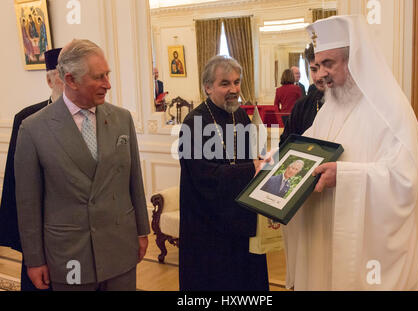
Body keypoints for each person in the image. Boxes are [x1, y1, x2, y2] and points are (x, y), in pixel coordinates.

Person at [283, 15, 418, 290]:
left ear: (356, 62)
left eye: (329, 64)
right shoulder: (329, 108)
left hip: (366, 256)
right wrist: (277, 168)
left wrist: (346, 176)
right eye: (318, 64)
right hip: (323, 239)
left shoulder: (391, 110)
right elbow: (304, 152)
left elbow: (405, 181)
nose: (321, 74)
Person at [14, 39, 150, 291]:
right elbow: (28, 203)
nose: (108, 84)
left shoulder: (122, 119)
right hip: (69, 255)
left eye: (107, 75)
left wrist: (142, 231)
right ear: (71, 80)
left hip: (120, 247)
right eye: (99, 78)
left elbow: (134, 180)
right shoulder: (33, 129)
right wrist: (34, 260)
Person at [178, 55, 269, 291]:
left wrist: (260, 163)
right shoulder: (193, 122)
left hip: (241, 217)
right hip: (208, 226)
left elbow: (251, 156)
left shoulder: (238, 114)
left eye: (237, 82)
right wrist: (252, 169)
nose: (234, 90)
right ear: (208, 87)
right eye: (225, 83)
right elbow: (203, 176)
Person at [0, 48, 63, 291]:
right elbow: (17, 183)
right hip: (42, 225)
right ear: (49, 80)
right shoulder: (27, 119)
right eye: (62, 74)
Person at [280, 44, 325, 145]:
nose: (318, 77)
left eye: (324, 68)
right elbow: (285, 144)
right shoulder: (302, 106)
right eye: (314, 70)